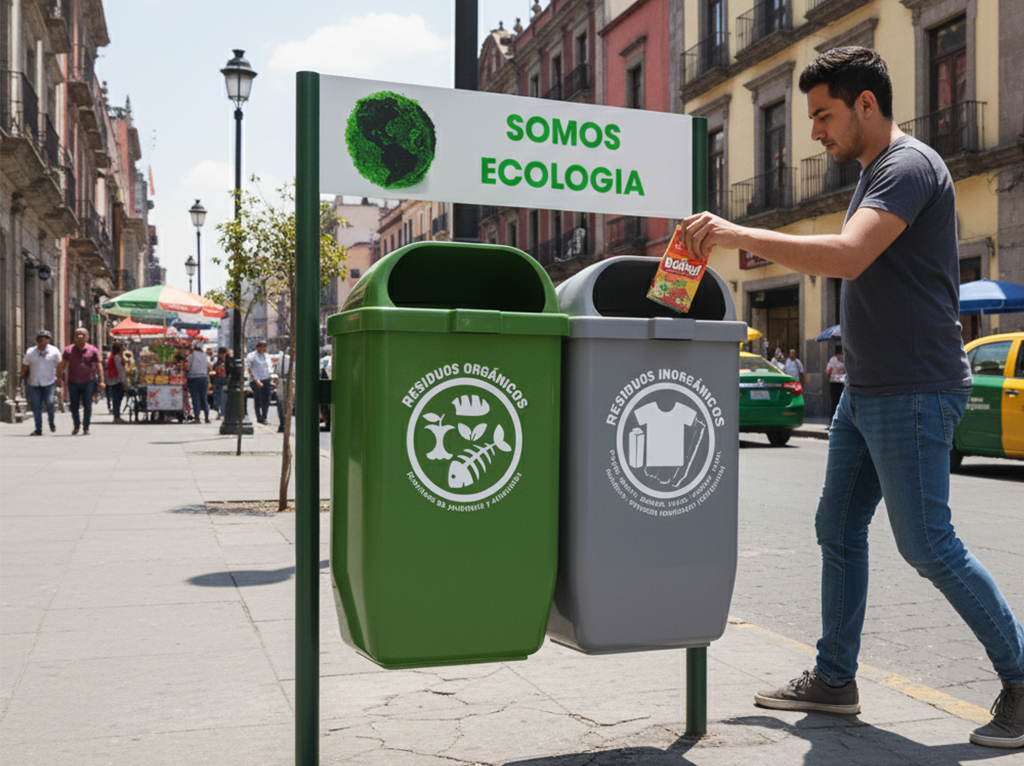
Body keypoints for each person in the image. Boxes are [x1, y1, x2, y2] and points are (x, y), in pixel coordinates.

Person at [681, 46, 1024, 748]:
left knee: (929, 544)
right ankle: (835, 678)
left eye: (823, 115)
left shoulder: (907, 165)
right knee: (836, 530)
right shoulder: (872, 174)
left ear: (866, 104)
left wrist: (734, 233)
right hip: (866, 392)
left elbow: (849, 256)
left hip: (915, 387)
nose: (814, 132)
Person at [57, 327, 104, 435]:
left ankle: (86, 427)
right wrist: (59, 378)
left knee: (88, 405)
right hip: (73, 381)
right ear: (74, 337)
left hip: (88, 381)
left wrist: (101, 380)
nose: (80, 337)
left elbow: (98, 365)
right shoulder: (68, 350)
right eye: (78, 335)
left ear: (87, 337)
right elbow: (62, 365)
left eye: (83, 335)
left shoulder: (92, 350)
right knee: (74, 405)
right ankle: (76, 425)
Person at [20, 330, 61, 435]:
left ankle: (51, 422)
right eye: (40, 339)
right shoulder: (30, 352)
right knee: (36, 406)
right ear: (37, 340)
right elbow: (25, 365)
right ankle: (38, 429)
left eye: (45, 339)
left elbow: (60, 365)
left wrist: (60, 378)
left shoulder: (54, 351)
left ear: (49, 340)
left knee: (50, 403)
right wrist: (21, 376)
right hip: (34, 383)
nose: (43, 341)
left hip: (50, 382)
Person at [246, 340, 272, 424]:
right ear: (257, 347)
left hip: (267, 379)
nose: (262, 348)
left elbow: (269, 368)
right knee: (258, 400)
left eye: (264, 346)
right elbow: (249, 368)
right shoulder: (252, 356)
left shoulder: (267, 356)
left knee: (267, 400)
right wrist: (255, 380)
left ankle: (264, 416)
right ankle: (259, 417)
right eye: (260, 346)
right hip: (257, 380)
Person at [186, 341, 211, 424]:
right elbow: (209, 366)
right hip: (204, 378)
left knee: (195, 398)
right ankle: (207, 417)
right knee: (204, 397)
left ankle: (197, 417)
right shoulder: (206, 356)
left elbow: (187, 367)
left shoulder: (191, 356)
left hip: (193, 378)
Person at [107, 341, 130, 424]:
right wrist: (125, 383)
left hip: (113, 380)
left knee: (116, 399)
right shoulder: (117, 357)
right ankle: (116, 416)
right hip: (117, 381)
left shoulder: (113, 356)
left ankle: (117, 415)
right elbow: (120, 371)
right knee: (117, 399)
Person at [825, 347, 846, 419]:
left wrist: (829, 378)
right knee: (843, 402)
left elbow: (828, 371)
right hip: (843, 382)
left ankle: (833, 420)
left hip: (834, 382)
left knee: (834, 402)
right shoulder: (844, 359)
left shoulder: (833, 359)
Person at [275, 349, 291, 433]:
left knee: (282, 403)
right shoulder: (284, 358)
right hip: (285, 380)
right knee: (282, 403)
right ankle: (284, 424)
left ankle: (283, 424)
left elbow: (278, 371)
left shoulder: (284, 357)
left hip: (285, 380)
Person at [212, 347, 228, 419]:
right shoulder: (217, 363)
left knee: (223, 397)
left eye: (223, 353)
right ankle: (218, 412)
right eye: (220, 354)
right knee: (217, 398)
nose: (222, 355)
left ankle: (222, 413)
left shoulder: (227, 362)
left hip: (224, 381)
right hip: (217, 381)